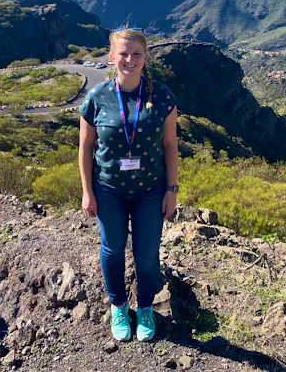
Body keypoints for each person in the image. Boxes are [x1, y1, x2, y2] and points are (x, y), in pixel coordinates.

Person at [78, 29, 179, 342]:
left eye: (136, 54)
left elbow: (171, 146)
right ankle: (118, 306)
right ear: (112, 57)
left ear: (145, 57)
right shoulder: (96, 98)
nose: (130, 60)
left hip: (150, 189)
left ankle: (145, 306)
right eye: (123, 53)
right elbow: (84, 148)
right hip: (108, 189)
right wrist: (87, 191)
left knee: (147, 254)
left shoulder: (162, 97)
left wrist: (171, 190)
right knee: (112, 249)